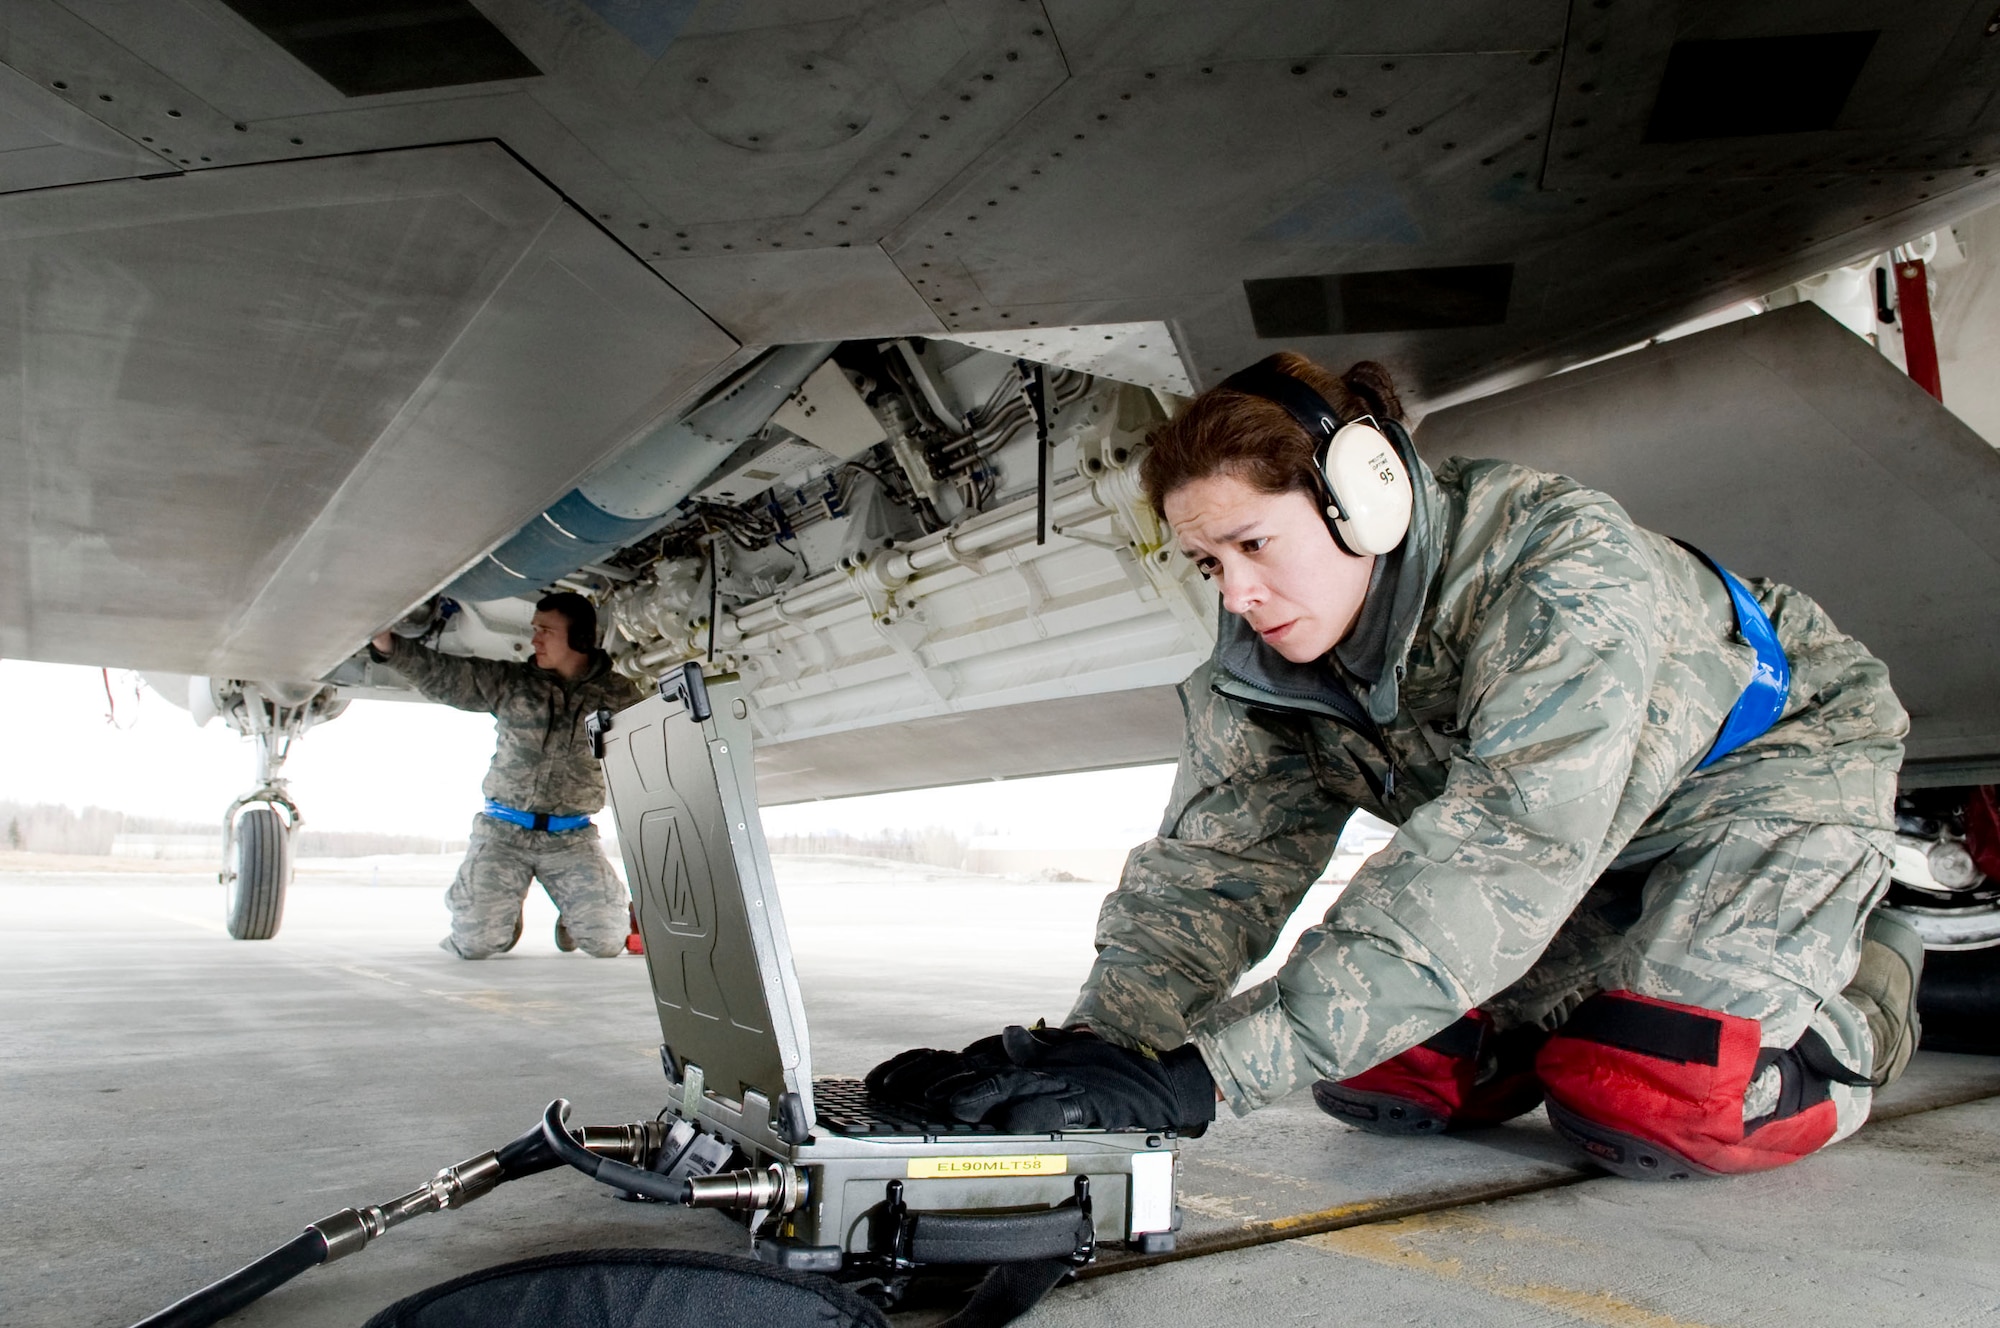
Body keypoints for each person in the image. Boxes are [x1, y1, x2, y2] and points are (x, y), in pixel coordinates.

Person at [867, 352, 1923, 1180]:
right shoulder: (1273, 664)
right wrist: (1096, 1049)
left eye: (1252, 545)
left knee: (1659, 1093)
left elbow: (1505, 850)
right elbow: (1208, 873)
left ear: (1360, 498)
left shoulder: (1554, 570)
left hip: (1761, 779)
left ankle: (1865, 975)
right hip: (1582, 843)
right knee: (1392, 1064)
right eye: (1206, 563)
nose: (1234, 594)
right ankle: (1583, 997)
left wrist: (1202, 1081)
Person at [369, 592, 643, 960]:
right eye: (534, 629)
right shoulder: (513, 682)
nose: (535, 640)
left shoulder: (619, 695)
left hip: (571, 839)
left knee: (608, 942)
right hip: (503, 835)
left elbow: (655, 742)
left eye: (545, 631)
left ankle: (573, 914)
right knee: (475, 944)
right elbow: (446, 675)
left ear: (579, 638)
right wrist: (390, 647)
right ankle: (501, 918)